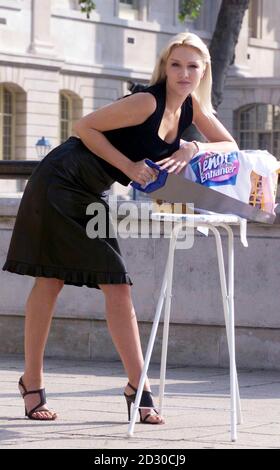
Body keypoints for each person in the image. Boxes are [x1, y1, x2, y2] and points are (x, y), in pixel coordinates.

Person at [2, 31, 238, 423]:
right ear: (165, 67)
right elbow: (84, 126)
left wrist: (192, 147)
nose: (183, 73)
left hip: (89, 192)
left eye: (191, 66)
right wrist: (129, 167)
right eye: (175, 64)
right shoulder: (146, 101)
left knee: (84, 283)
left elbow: (228, 145)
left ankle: (54, 383)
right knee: (70, 282)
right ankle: (130, 386)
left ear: (203, 71)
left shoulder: (192, 109)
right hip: (59, 182)